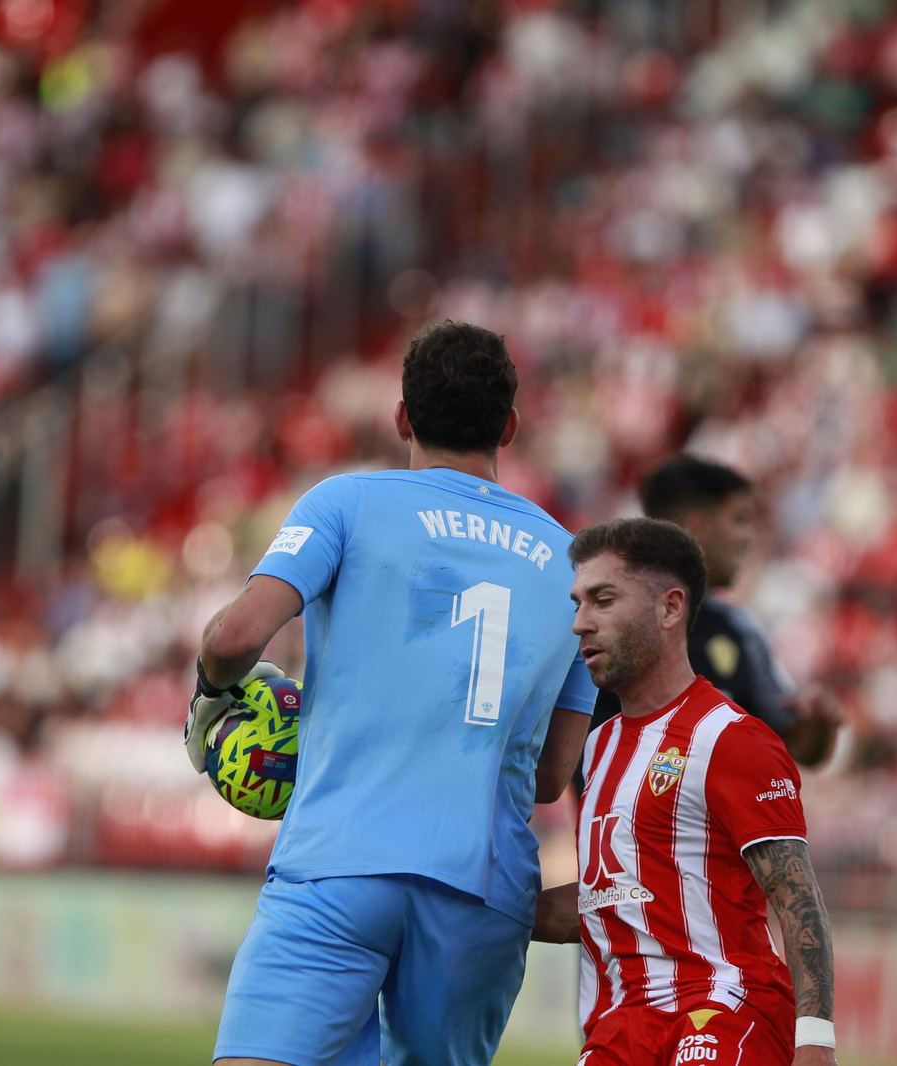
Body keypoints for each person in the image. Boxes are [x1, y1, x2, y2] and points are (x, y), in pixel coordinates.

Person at [189, 321, 597, 1066]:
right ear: (508, 426)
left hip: (338, 860)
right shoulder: (573, 564)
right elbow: (549, 777)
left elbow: (234, 639)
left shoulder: (344, 504)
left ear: (403, 416)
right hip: (482, 888)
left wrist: (209, 692)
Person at [536, 517, 838, 1066]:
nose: (580, 623)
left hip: (723, 1008)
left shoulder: (731, 738)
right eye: (577, 603)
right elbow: (610, 902)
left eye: (602, 600)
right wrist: (452, 905)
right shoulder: (598, 747)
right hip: (620, 1027)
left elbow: (796, 894)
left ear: (670, 608)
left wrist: (815, 1037)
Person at [587, 458, 840, 767]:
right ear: (698, 529)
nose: (748, 537)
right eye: (739, 519)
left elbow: (793, 743)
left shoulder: (737, 628)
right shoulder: (606, 623)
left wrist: (817, 727)